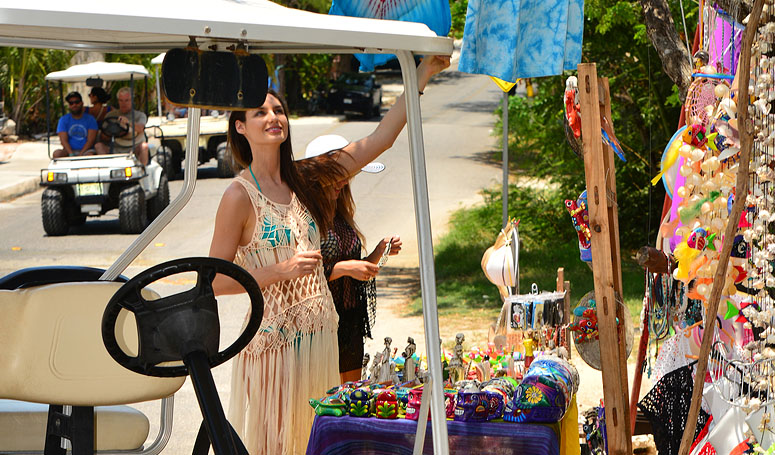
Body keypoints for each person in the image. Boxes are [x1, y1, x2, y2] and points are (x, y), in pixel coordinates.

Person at [208, 55, 449, 454]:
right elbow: (215, 282)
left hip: (322, 340)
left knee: (320, 445)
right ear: (240, 126)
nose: (274, 117)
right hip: (274, 349)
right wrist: (280, 270)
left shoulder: (308, 178)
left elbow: (379, 140)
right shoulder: (238, 195)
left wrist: (421, 73)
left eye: (279, 110)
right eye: (260, 112)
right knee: (281, 446)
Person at [304, 133, 401, 384]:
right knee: (325, 397)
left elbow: (353, 266)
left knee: (349, 395)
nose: (344, 182)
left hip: (349, 320)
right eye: (337, 176)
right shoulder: (304, 215)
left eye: (347, 176)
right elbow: (303, 274)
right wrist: (345, 268)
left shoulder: (340, 214)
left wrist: (377, 254)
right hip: (321, 322)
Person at [95, 86, 149, 165]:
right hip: (115, 147)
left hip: (134, 147)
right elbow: (103, 136)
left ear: (132, 100)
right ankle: (107, 171)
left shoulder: (140, 115)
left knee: (144, 146)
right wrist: (112, 132)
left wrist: (128, 123)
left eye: (126, 100)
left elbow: (141, 128)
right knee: (98, 146)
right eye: (121, 100)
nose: (123, 104)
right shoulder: (110, 115)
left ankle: (143, 171)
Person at [53, 91, 98, 158]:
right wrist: (71, 153)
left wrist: (81, 154)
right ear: (69, 105)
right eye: (71, 103)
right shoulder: (63, 120)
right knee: (57, 154)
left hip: (86, 150)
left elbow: (90, 141)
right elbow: (63, 140)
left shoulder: (90, 119)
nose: (74, 105)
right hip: (69, 150)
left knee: (90, 155)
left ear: (82, 103)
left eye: (77, 102)